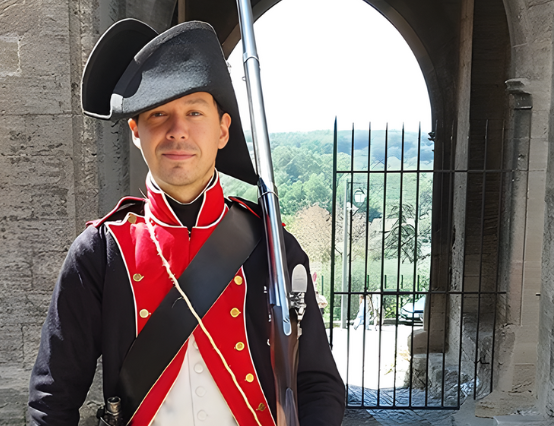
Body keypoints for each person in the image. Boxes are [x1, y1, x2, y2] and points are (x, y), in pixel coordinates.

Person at [28, 19, 345, 426]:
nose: (177, 131)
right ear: (136, 131)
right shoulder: (100, 252)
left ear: (223, 130)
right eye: (159, 113)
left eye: (194, 112)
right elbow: (53, 397)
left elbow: (317, 384)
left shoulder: (274, 247)